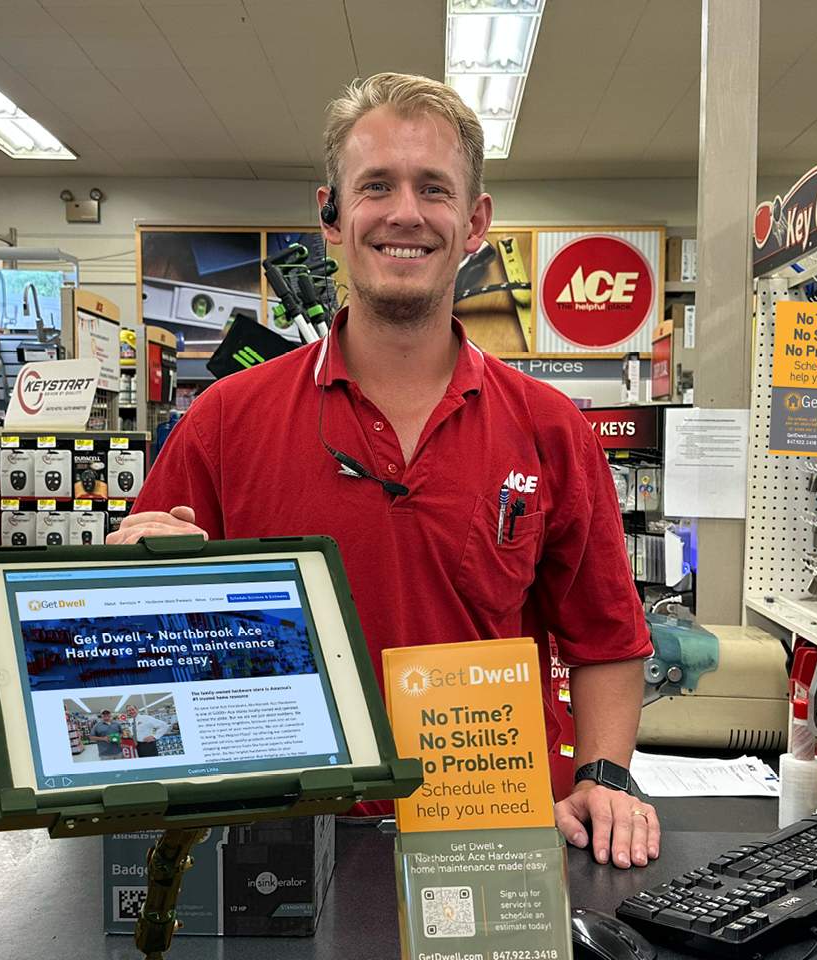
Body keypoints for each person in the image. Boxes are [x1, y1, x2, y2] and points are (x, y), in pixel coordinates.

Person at [109, 73, 659, 870]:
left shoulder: (549, 428)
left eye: (434, 188)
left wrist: (604, 777)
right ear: (331, 215)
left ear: (475, 222)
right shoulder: (225, 419)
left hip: (494, 845)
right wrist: (137, 586)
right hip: (279, 843)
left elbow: (605, 635)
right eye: (376, 186)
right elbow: (151, 645)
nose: (406, 213)